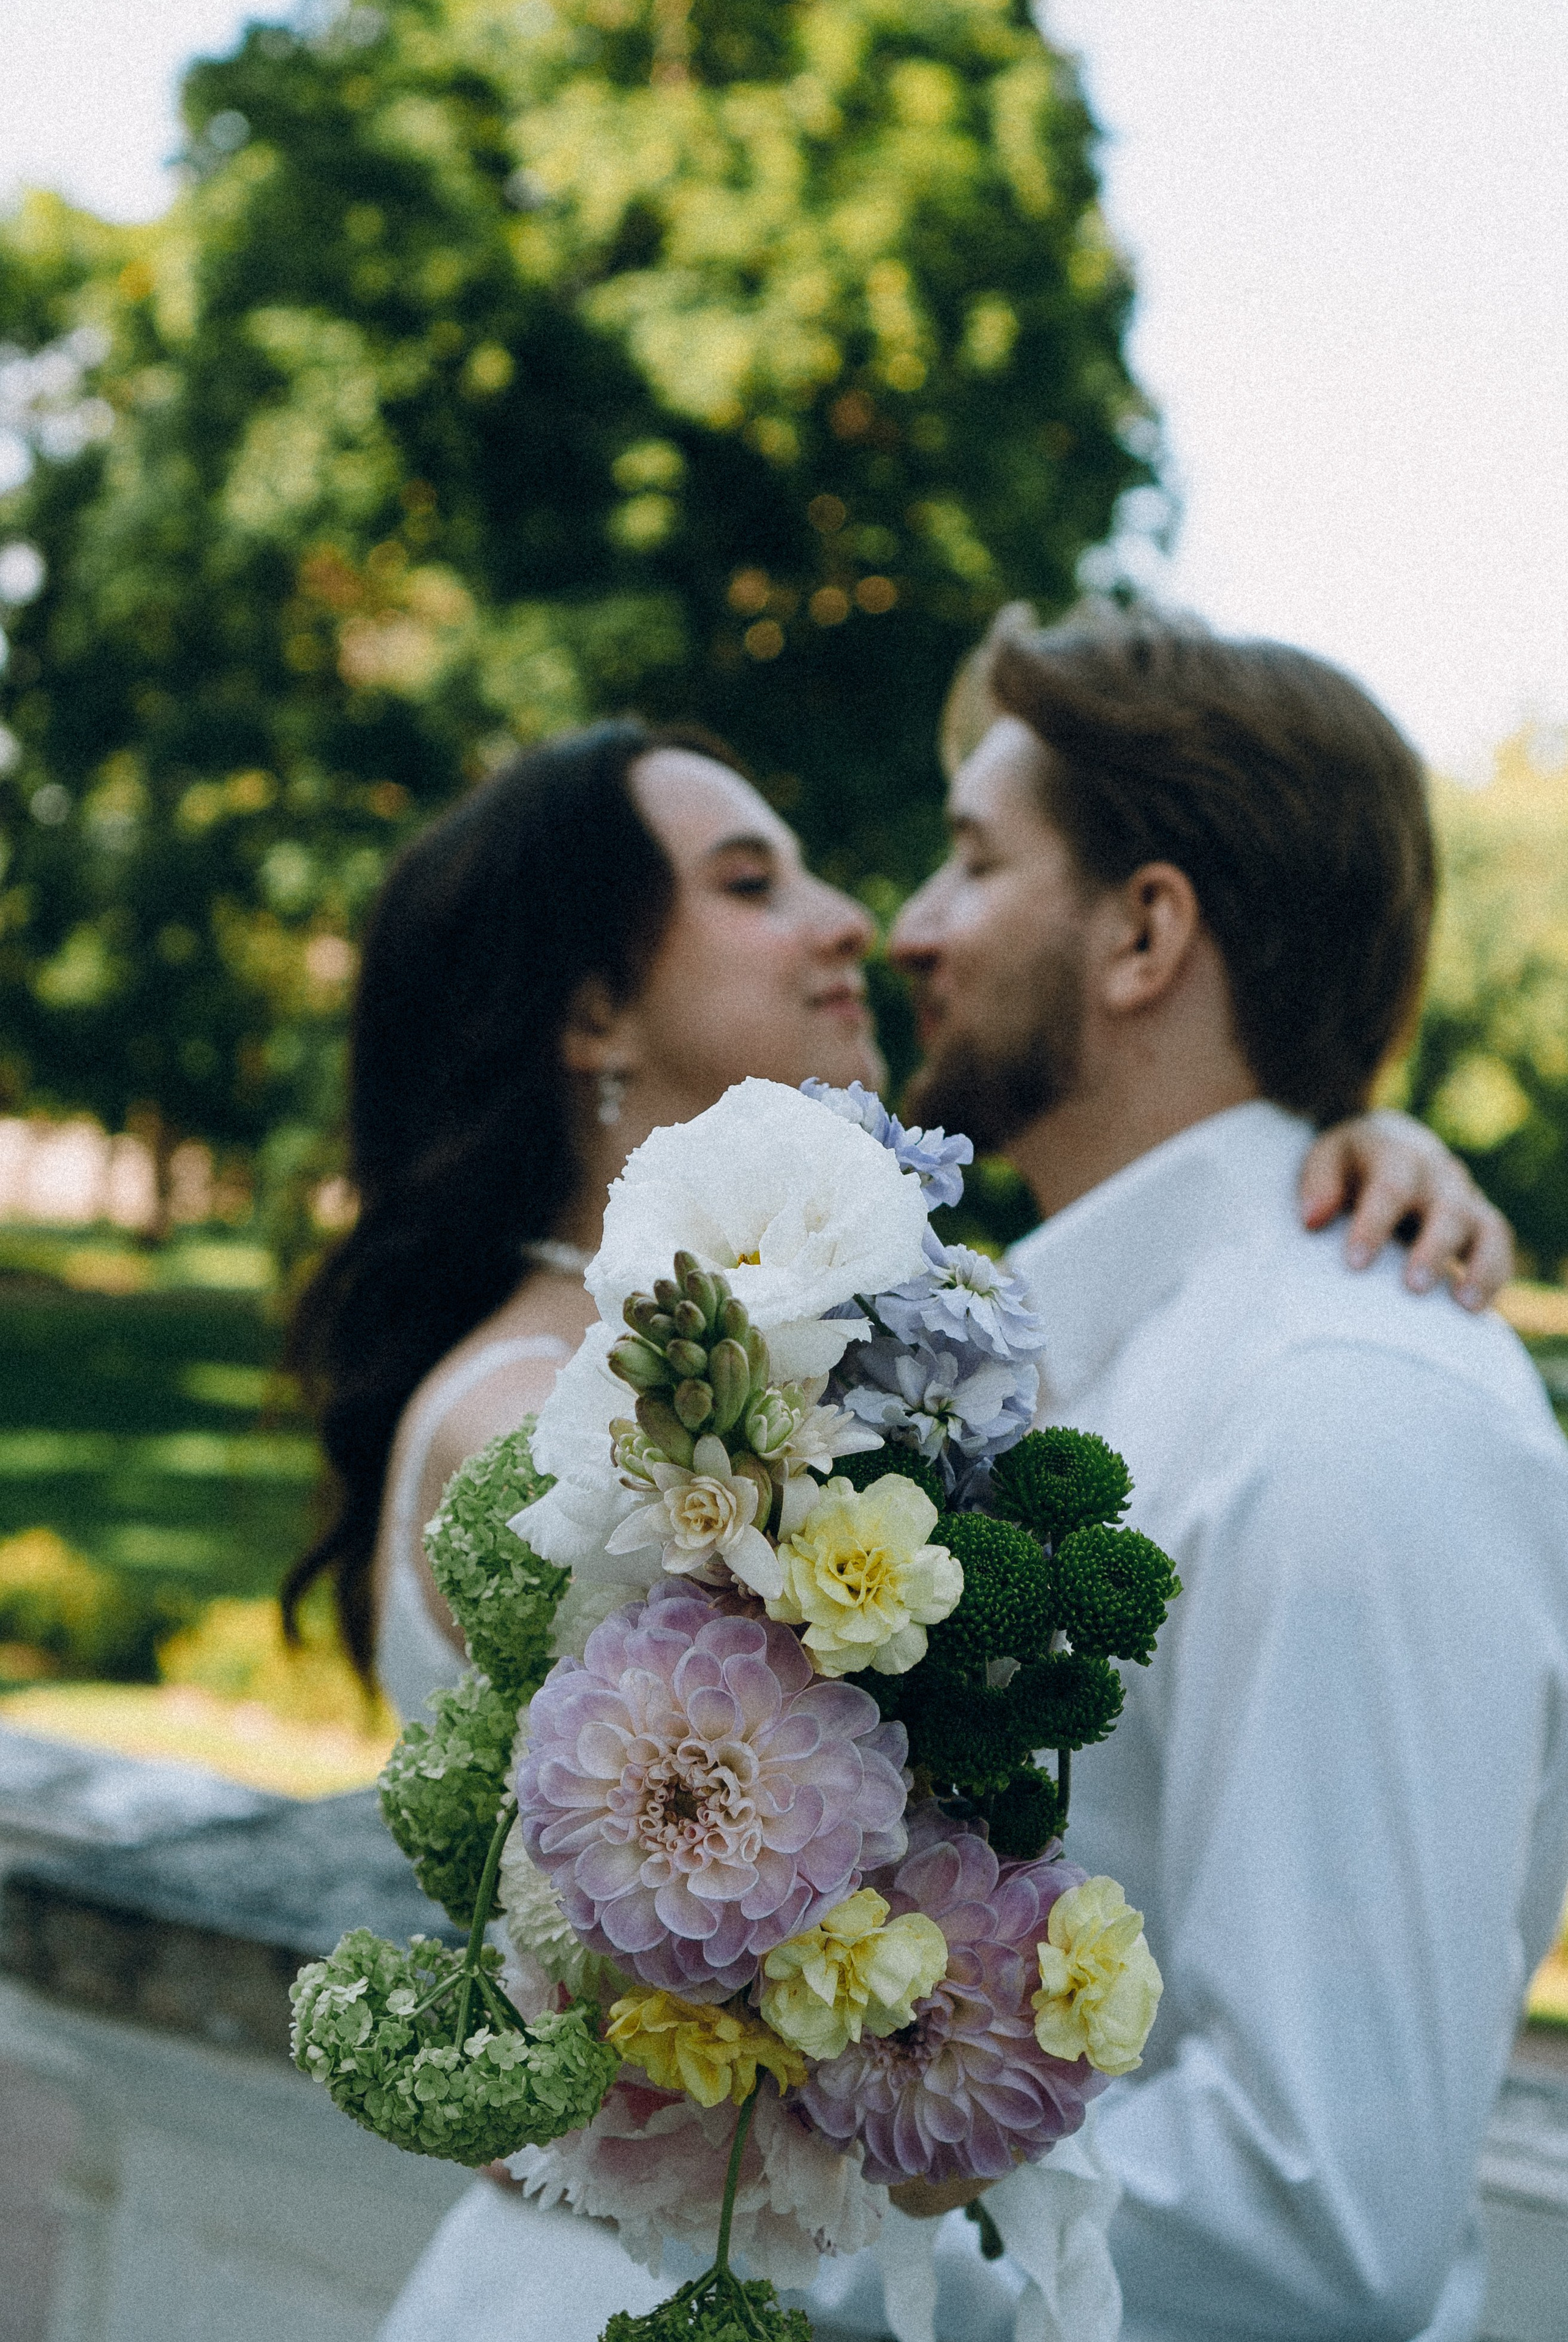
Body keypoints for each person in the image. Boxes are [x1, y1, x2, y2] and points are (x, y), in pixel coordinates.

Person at [283, 715, 1512, 2342]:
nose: (853, 916)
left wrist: (1326, 1156)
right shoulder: (542, 1417)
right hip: (656, 2281)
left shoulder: (799, 1349)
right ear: (594, 1009)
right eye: (749, 879)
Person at [886, 604, 1568, 2342]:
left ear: (1145, 930)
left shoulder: (1353, 1412)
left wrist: (769, 2235)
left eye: (972, 863)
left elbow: (1313, 2210)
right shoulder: (1026, 1358)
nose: (911, 927)